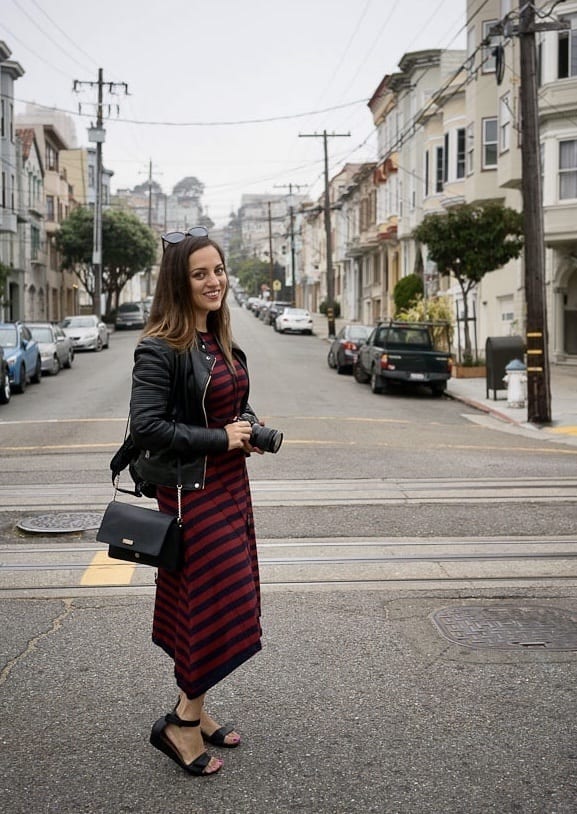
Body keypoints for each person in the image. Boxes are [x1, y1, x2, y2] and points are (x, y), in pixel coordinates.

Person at [129, 225, 263, 777]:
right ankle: (181, 725)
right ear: (178, 284)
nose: (214, 282)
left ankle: (198, 712)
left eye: (219, 270)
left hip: (230, 488)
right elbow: (147, 426)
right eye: (200, 274)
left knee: (212, 604)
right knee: (217, 602)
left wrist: (249, 427)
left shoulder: (221, 341)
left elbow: (231, 407)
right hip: (191, 496)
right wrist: (219, 439)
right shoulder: (159, 346)